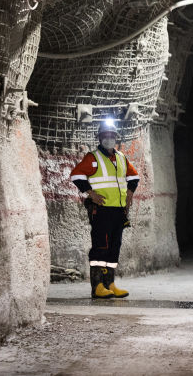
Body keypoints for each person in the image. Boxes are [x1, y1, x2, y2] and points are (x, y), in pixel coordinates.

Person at [69, 121, 139, 299]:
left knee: (114, 247)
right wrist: (90, 193)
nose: (109, 138)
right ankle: (98, 286)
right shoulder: (93, 158)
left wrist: (130, 192)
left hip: (119, 210)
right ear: (99, 138)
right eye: (105, 135)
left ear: (116, 138)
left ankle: (110, 284)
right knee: (101, 247)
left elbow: (134, 176)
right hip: (101, 210)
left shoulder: (122, 158)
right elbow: (76, 175)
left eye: (112, 135)